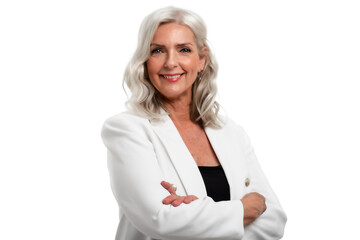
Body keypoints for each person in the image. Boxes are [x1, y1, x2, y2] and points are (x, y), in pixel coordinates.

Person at [101, 6, 287, 240]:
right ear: (145, 62)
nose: (171, 62)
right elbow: (160, 220)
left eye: (184, 50)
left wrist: (192, 216)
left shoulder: (231, 133)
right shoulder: (126, 129)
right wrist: (243, 209)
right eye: (158, 50)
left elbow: (275, 220)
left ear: (201, 60)